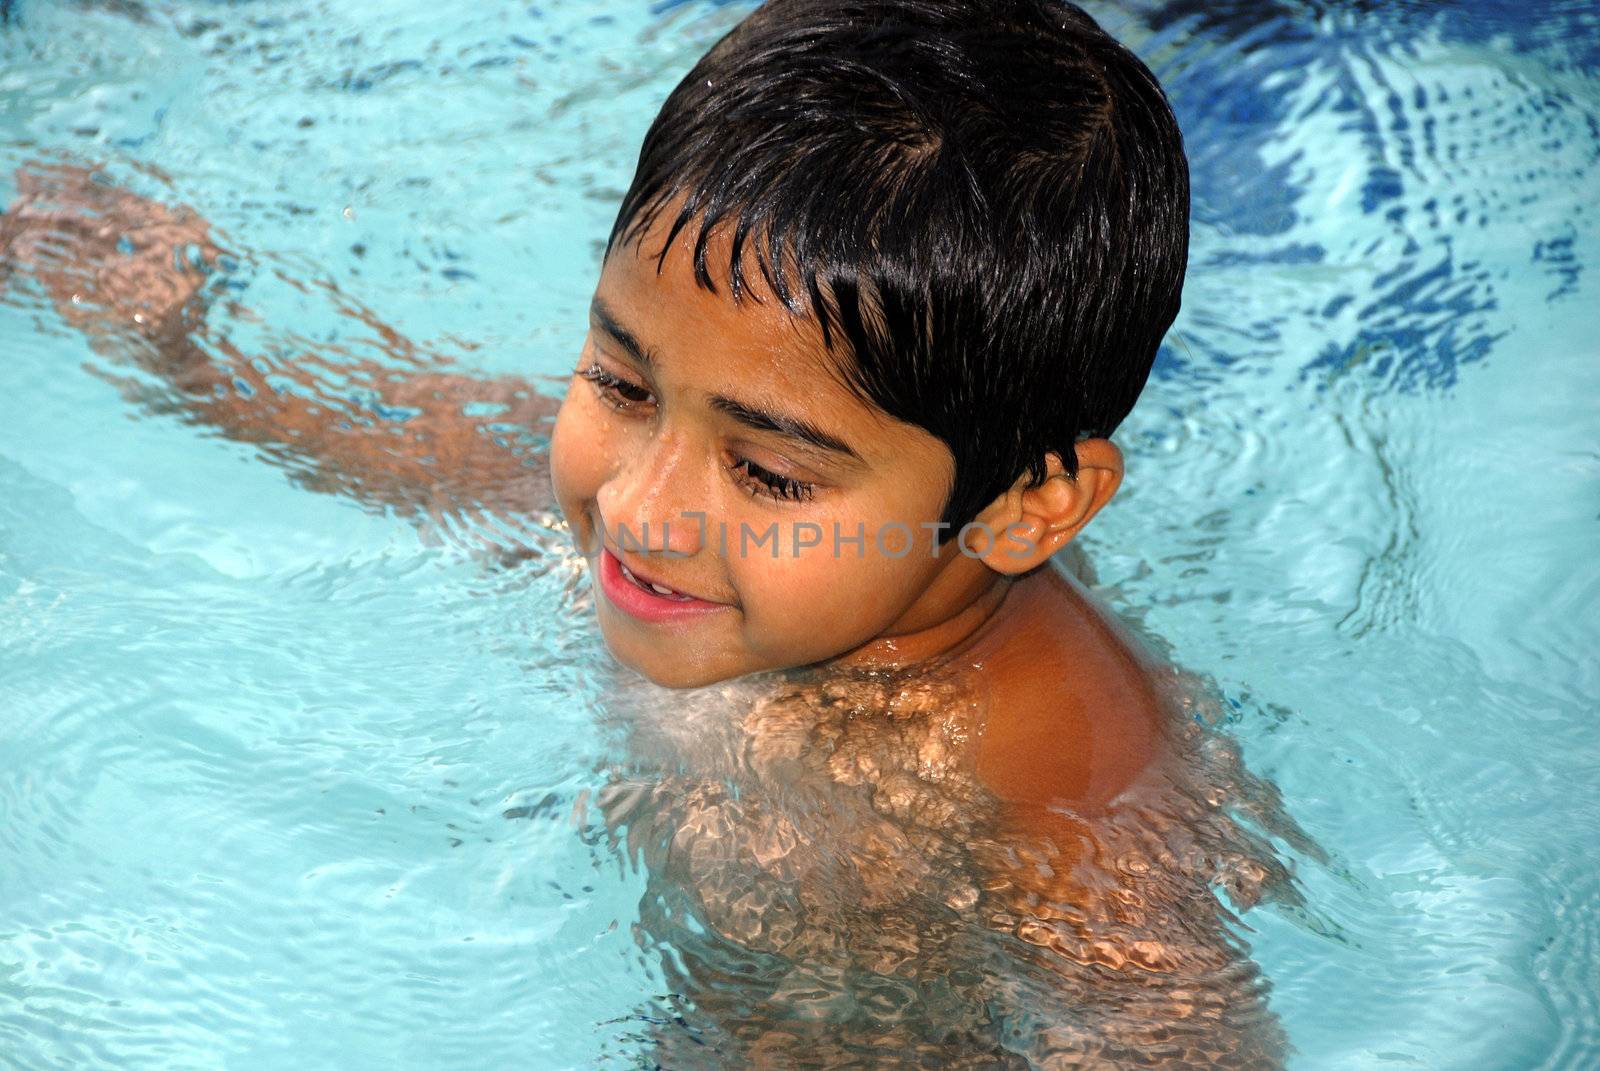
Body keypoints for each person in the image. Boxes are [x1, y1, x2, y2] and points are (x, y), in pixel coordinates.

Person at [2, 1, 1323, 1066]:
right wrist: (175, 334)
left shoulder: (1052, 769)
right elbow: (405, 437)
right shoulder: (707, 492)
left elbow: (1175, 1023)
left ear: (1030, 510)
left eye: (768, 471)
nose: (637, 506)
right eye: (622, 384)